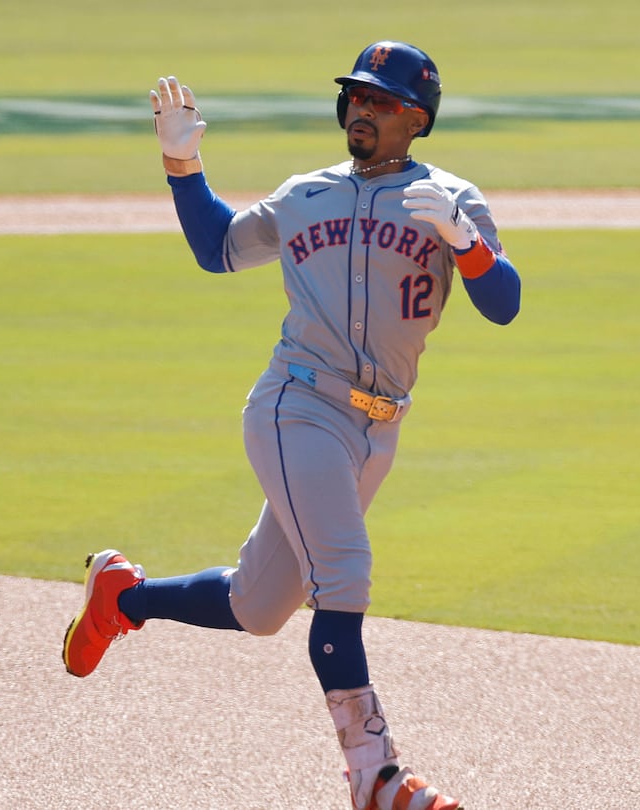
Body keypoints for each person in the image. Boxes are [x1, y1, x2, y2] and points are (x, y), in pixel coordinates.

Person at [63, 40, 520, 810]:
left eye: (380, 100)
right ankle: (375, 774)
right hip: (296, 405)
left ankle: (121, 597)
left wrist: (466, 242)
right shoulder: (306, 193)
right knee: (343, 574)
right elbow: (218, 248)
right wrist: (183, 167)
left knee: (261, 605)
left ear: (416, 118)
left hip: (378, 429)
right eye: (355, 96)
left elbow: (502, 304)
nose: (361, 109)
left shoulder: (453, 200)